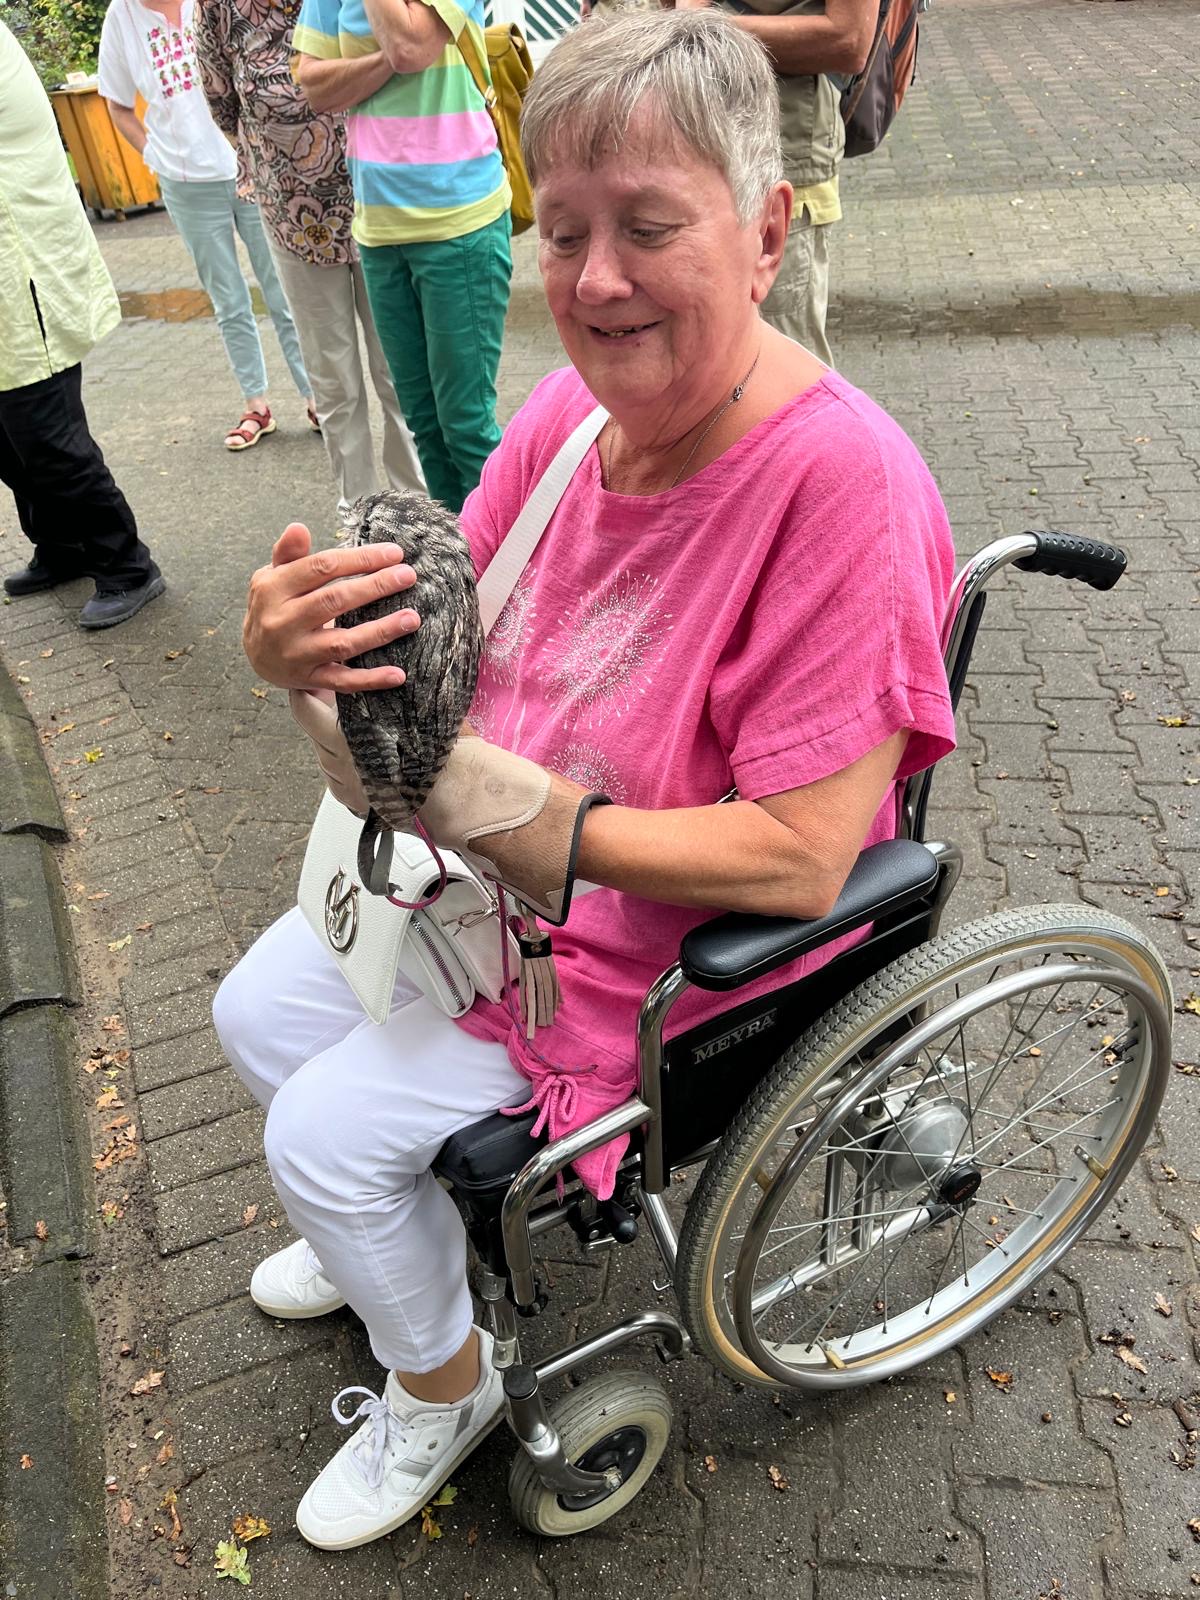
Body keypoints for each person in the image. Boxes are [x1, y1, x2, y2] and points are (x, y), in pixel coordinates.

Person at [216, 10, 957, 1550]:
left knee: (319, 1142)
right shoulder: (568, 417)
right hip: (484, 892)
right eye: (562, 230)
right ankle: (395, 1240)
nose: (595, 278)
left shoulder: (844, 488)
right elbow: (439, 647)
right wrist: (315, 653)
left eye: (647, 226)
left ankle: (449, 1387)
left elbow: (808, 860)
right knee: (250, 1019)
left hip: (645, 959)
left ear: (764, 234)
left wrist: (545, 823)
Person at [194, 0, 426, 528]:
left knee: (397, 370)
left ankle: (416, 514)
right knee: (333, 378)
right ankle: (360, 519)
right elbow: (220, 97)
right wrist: (265, 159)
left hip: (381, 197)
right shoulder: (220, 8)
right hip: (291, 215)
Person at [292, 0, 512, 512]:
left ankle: (514, 574)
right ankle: (460, 566)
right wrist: (381, 64)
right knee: (424, 422)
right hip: (379, 229)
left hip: (458, 220)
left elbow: (410, 47)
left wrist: (371, 67)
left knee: (465, 425)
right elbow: (315, 85)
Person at [0, 20, 165, 629]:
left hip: (23, 275)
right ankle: (62, 545)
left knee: (46, 436)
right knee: (9, 437)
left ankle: (126, 564)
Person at [98, 0, 315, 450]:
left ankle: (316, 397)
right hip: (187, 184)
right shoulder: (122, 16)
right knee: (229, 300)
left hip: (251, 167)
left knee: (284, 292)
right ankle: (256, 405)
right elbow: (116, 103)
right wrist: (152, 155)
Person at [674, 0, 875, 365]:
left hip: (784, 153)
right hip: (696, 140)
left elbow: (850, 40)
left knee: (783, 360)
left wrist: (699, 31)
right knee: (702, 351)